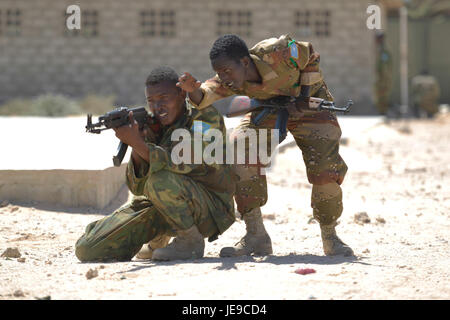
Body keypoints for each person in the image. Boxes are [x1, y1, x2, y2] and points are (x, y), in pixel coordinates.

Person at [177, 34, 353, 257]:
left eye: (227, 71)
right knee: (239, 147)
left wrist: (305, 95)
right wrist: (191, 89)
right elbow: (204, 95)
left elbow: (310, 55)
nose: (224, 77)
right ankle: (256, 236)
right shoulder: (229, 78)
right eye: (219, 72)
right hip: (270, 108)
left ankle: (330, 236)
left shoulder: (276, 51)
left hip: (309, 105)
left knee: (325, 167)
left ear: (244, 62)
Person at [75, 66, 236, 262]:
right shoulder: (155, 125)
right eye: (151, 101)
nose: (157, 107)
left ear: (181, 94)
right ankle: (159, 239)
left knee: (160, 179)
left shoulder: (204, 118)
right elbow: (138, 186)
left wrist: (138, 143)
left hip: (211, 209)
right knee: (88, 249)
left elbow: (181, 162)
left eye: (163, 98)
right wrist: (138, 144)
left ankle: (190, 242)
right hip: (165, 207)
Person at [374, 30, 393, 116]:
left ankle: (383, 111)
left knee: (382, 94)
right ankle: (381, 111)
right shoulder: (380, 49)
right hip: (381, 76)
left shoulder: (384, 50)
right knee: (380, 94)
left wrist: (383, 78)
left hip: (383, 77)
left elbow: (385, 65)